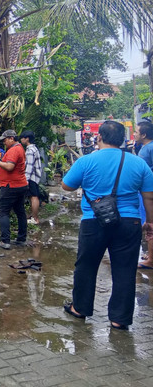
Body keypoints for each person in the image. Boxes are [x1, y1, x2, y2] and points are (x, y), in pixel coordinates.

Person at [62, 120, 153, 330]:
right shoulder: (138, 163)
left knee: (86, 266)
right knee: (125, 269)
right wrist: (149, 222)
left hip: (94, 221)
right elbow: (149, 196)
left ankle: (80, 308)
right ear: (123, 140)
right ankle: (119, 319)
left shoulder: (86, 161)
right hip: (129, 222)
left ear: (99, 137)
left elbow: (67, 186)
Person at [0, 129, 29, 249]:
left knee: (4, 212)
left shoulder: (14, 150)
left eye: (5, 140)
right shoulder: (19, 148)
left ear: (11, 138)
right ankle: (21, 238)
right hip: (20, 185)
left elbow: (10, 167)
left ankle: (5, 241)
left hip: (10, 186)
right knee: (20, 211)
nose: (4, 142)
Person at [134, 121, 153, 269]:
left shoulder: (149, 149)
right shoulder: (145, 148)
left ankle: (151, 260)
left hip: (148, 191)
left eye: (136, 131)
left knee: (149, 223)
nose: (134, 134)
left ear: (144, 135)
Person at [20, 130, 43, 224]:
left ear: (27, 139)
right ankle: (34, 216)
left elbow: (29, 165)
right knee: (33, 197)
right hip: (35, 177)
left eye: (22, 138)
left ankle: (35, 218)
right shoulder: (35, 149)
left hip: (31, 177)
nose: (21, 140)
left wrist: (26, 179)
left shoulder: (30, 150)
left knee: (33, 197)